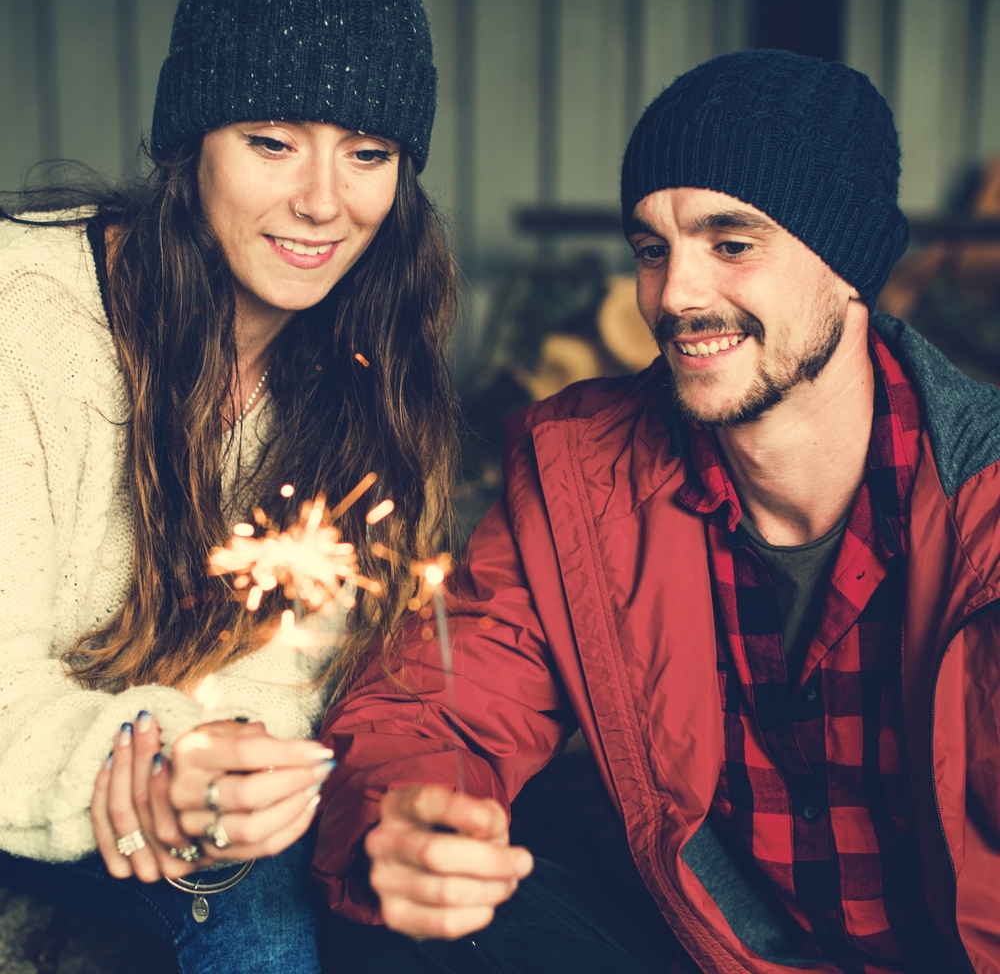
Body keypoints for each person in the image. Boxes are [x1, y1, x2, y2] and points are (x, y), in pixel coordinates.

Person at [313, 50, 1000, 974]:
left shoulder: (983, 503)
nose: (674, 295)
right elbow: (437, 710)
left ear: (850, 266)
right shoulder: (581, 475)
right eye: (652, 249)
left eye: (732, 243)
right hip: (717, 957)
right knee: (402, 923)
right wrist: (410, 821)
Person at [0, 0, 454, 971]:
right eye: (272, 142)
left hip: (152, 801)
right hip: (33, 775)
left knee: (283, 882)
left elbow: (286, 677)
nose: (324, 201)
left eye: (368, 153)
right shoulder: (22, 321)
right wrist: (153, 754)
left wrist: (233, 769)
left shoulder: (365, 380)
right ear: (189, 143)